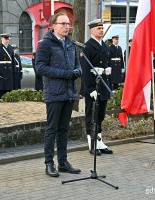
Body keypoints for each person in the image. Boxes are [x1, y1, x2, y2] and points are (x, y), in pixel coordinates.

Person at [36, 12, 82, 177]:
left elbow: (78, 66)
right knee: (52, 129)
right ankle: (49, 163)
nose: (66, 27)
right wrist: (65, 74)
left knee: (63, 130)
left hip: (69, 93)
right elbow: (40, 67)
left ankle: (63, 162)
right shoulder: (46, 44)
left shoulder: (70, 44)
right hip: (54, 93)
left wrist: (77, 72)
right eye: (63, 23)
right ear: (53, 25)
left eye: (68, 24)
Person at [79, 19, 113, 156]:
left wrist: (107, 70)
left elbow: (107, 63)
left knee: (100, 115)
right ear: (92, 30)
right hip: (92, 87)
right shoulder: (87, 47)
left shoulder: (104, 45)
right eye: (98, 28)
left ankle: (99, 142)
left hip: (103, 86)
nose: (101, 30)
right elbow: (85, 71)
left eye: (102, 28)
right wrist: (90, 89)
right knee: (91, 115)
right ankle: (92, 143)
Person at [0, 33, 15, 99]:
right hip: (1, 70)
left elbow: (12, 60)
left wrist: (13, 70)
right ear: (2, 39)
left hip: (9, 70)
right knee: (1, 89)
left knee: (9, 89)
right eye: (6, 39)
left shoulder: (10, 48)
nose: (7, 40)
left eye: (8, 39)